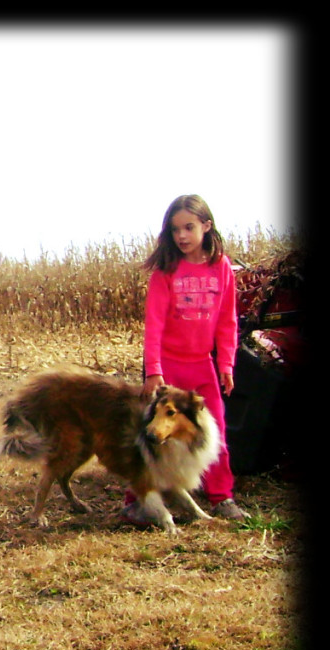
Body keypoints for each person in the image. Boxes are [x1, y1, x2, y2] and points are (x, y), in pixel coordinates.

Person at [123, 194, 246, 524]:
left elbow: (227, 321)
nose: (181, 236)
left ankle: (221, 497)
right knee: (153, 433)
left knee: (214, 431)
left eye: (189, 227)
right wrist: (154, 370)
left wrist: (226, 365)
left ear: (206, 226)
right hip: (168, 368)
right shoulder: (166, 271)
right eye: (175, 229)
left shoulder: (221, 268)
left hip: (203, 364)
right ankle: (136, 500)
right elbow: (155, 324)